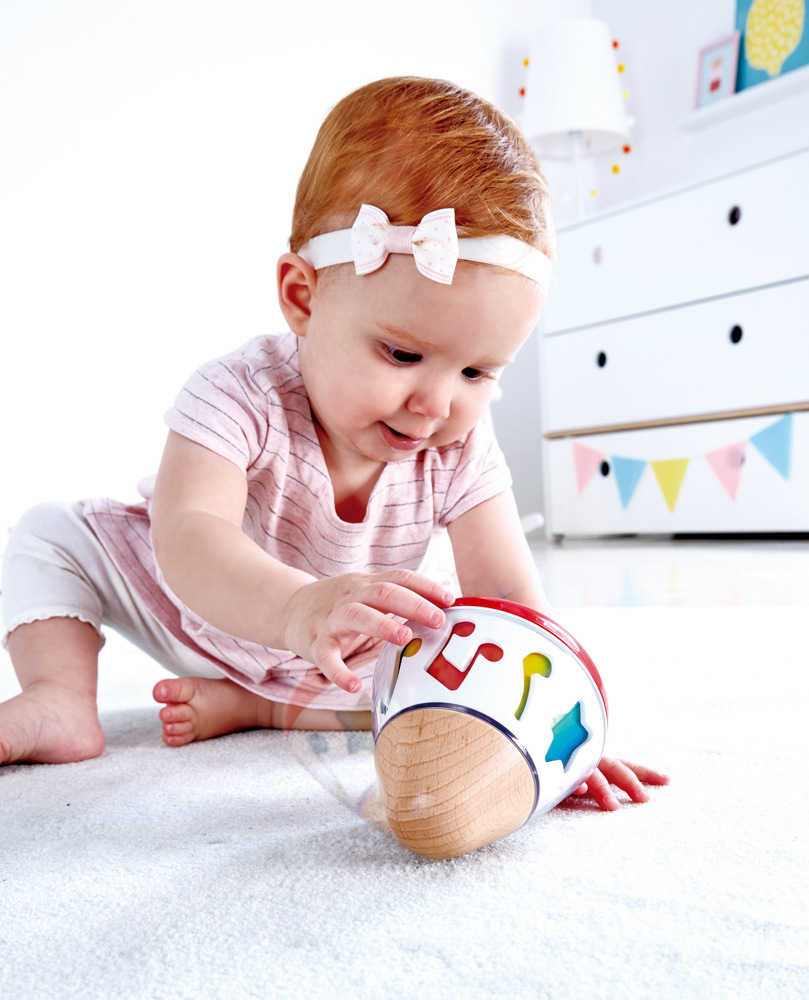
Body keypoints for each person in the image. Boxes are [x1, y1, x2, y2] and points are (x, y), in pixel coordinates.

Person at [0, 76, 667, 811]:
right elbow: (188, 536)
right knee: (48, 534)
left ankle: (258, 705)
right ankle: (59, 693)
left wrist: (551, 733)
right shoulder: (239, 392)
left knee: (424, 671)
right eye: (403, 354)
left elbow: (508, 599)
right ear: (303, 297)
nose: (437, 403)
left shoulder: (460, 446)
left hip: (334, 660)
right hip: (192, 607)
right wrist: (297, 608)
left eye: (477, 372)